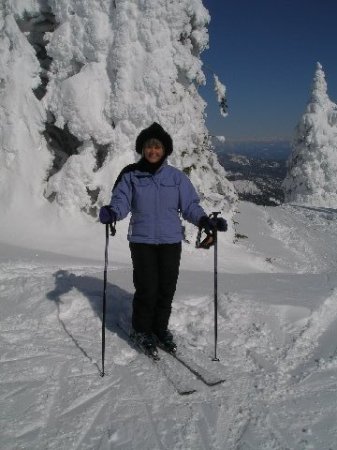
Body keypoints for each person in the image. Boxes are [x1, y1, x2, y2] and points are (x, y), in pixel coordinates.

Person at [99, 122, 226, 358]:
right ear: (142, 149)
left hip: (170, 241)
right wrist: (113, 212)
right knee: (147, 288)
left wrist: (205, 221)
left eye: (158, 147)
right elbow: (122, 201)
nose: (153, 151)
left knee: (166, 289)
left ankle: (159, 329)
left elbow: (189, 205)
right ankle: (141, 330)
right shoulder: (131, 175)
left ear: (165, 150)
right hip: (142, 240)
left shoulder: (176, 177)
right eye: (149, 146)